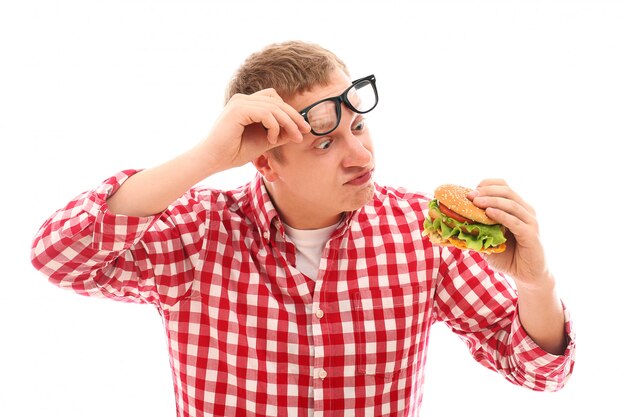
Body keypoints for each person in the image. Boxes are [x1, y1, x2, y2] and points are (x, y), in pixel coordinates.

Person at [31, 40, 575, 416]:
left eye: (360, 127)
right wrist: (205, 158)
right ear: (265, 161)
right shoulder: (198, 234)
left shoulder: (421, 233)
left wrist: (536, 282)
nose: (360, 154)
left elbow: (539, 372)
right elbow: (58, 257)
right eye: (325, 142)